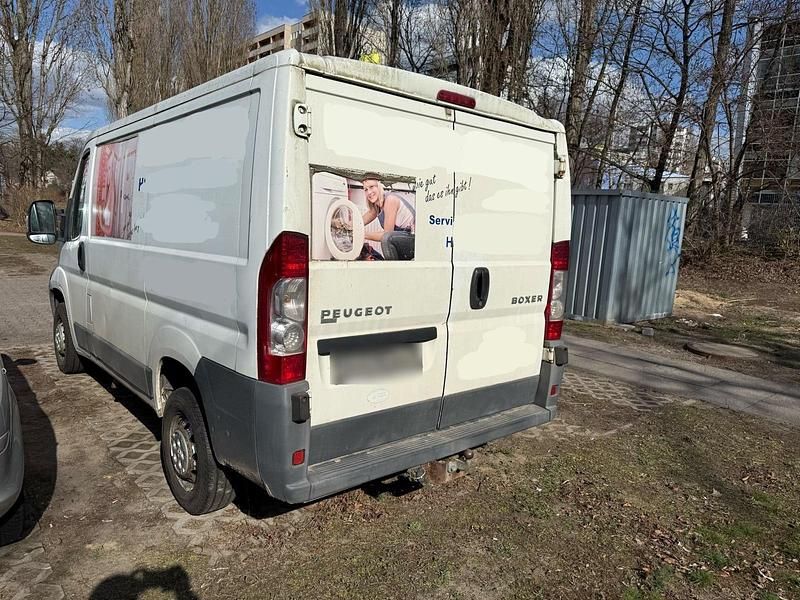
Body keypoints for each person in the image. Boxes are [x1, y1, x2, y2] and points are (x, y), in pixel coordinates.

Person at [361, 174, 415, 260]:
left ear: (379, 186)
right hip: (402, 240)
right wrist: (344, 225)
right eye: (366, 190)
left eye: (371, 187)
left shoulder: (390, 200)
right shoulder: (376, 207)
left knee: (387, 239)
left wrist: (361, 234)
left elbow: (387, 234)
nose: (369, 192)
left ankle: (392, 271)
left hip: (414, 241)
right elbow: (359, 222)